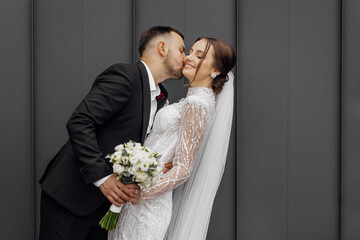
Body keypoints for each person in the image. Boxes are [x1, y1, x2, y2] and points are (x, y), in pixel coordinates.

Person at [38, 26, 186, 240]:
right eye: (181, 50)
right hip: (71, 196)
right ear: (162, 48)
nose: (185, 57)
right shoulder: (126, 76)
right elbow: (80, 121)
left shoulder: (161, 96)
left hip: (106, 207)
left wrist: (157, 167)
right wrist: (103, 177)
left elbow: (134, 142)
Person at [108, 37, 236, 240]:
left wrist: (143, 194)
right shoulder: (193, 100)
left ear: (216, 70)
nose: (189, 57)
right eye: (191, 51)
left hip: (149, 205)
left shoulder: (198, 104)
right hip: (138, 197)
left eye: (200, 56)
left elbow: (183, 168)